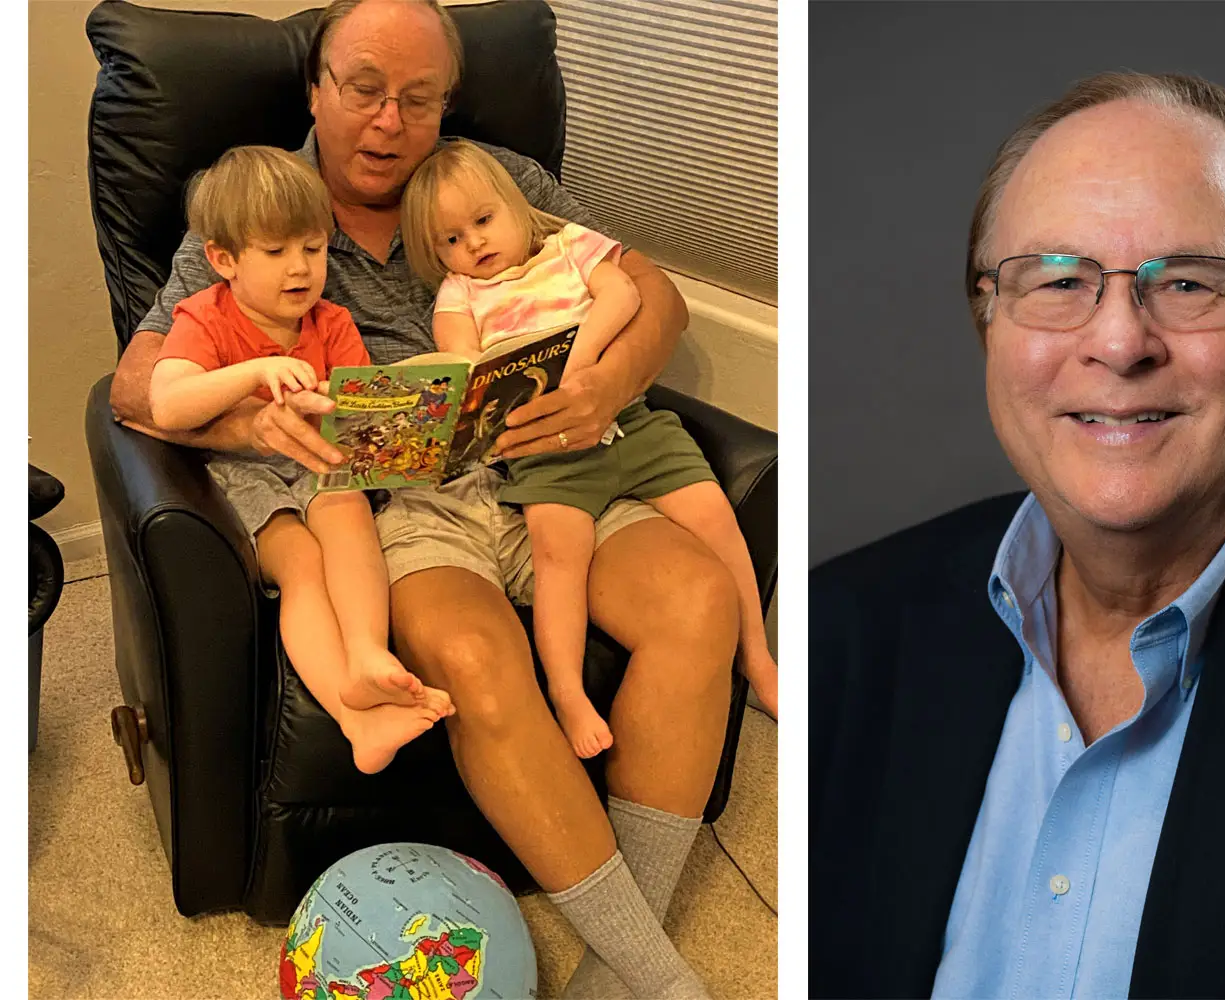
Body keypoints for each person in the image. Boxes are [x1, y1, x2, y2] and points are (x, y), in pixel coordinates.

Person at [108, 1, 737, 996]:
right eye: (364, 90)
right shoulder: (262, 203)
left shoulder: (502, 181)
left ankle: (627, 965)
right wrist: (245, 418)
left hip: (552, 466)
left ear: (448, 101)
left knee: (698, 597)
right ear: (317, 85)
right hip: (398, 503)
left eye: (419, 98)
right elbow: (138, 384)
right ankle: (661, 975)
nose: (390, 123)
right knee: (477, 653)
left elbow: (649, 289)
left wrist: (604, 390)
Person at [810, 71, 1225, 999]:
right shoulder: (839, 629)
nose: (1120, 342)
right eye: (1058, 281)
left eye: (1191, 282)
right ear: (990, 333)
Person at [400, 139, 779, 757]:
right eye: (450, 239)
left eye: (484, 219)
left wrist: (578, 361)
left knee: (716, 518)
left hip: (631, 424)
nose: (472, 243)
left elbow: (625, 296)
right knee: (558, 556)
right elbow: (462, 362)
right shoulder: (460, 293)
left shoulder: (570, 246)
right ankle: (567, 692)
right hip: (542, 452)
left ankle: (759, 660)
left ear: (517, 206)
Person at [149, 145, 454, 775]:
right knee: (303, 565)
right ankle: (353, 717)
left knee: (346, 508)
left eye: (313, 249)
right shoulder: (203, 318)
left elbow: (361, 409)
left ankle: (368, 657)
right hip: (243, 473)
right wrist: (254, 370)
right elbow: (168, 404)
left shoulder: (332, 321)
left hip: (319, 462)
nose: (301, 268)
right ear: (223, 259)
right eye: (277, 251)